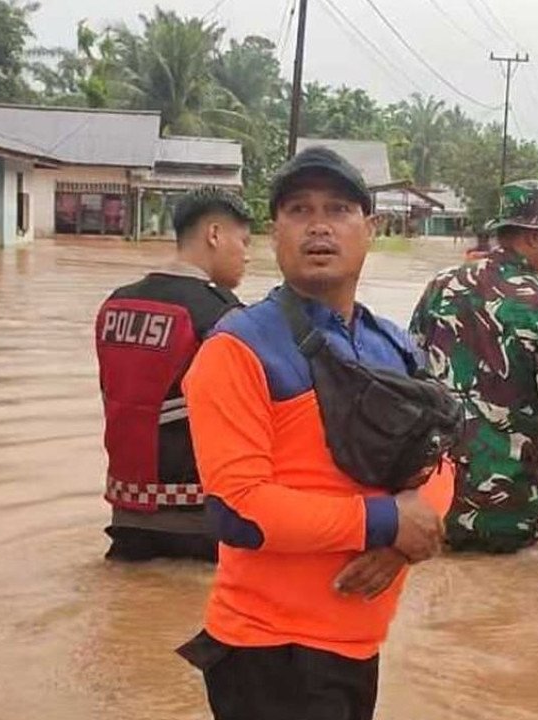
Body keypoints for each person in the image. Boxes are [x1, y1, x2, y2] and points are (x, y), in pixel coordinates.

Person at [176, 146, 453, 720]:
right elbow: (240, 511)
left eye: (339, 209)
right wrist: (384, 522)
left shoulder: (395, 345)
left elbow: (444, 455)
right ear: (273, 233)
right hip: (268, 652)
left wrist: (402, 543)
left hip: (357, 644)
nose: (319, 225)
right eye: (299, 210)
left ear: (370, 230)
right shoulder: (237, 349)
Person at [410, 180, 538, 554]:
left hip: (431, 505)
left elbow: (408, 379)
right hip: (511, 509)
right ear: (531, 237)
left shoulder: (440, 286)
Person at [93, 186, 250, 563]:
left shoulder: (116, 302)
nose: (247, 255)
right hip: (198, 521)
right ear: (214, 235)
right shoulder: (224, 316)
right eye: (244, 242)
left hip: (126, 516)